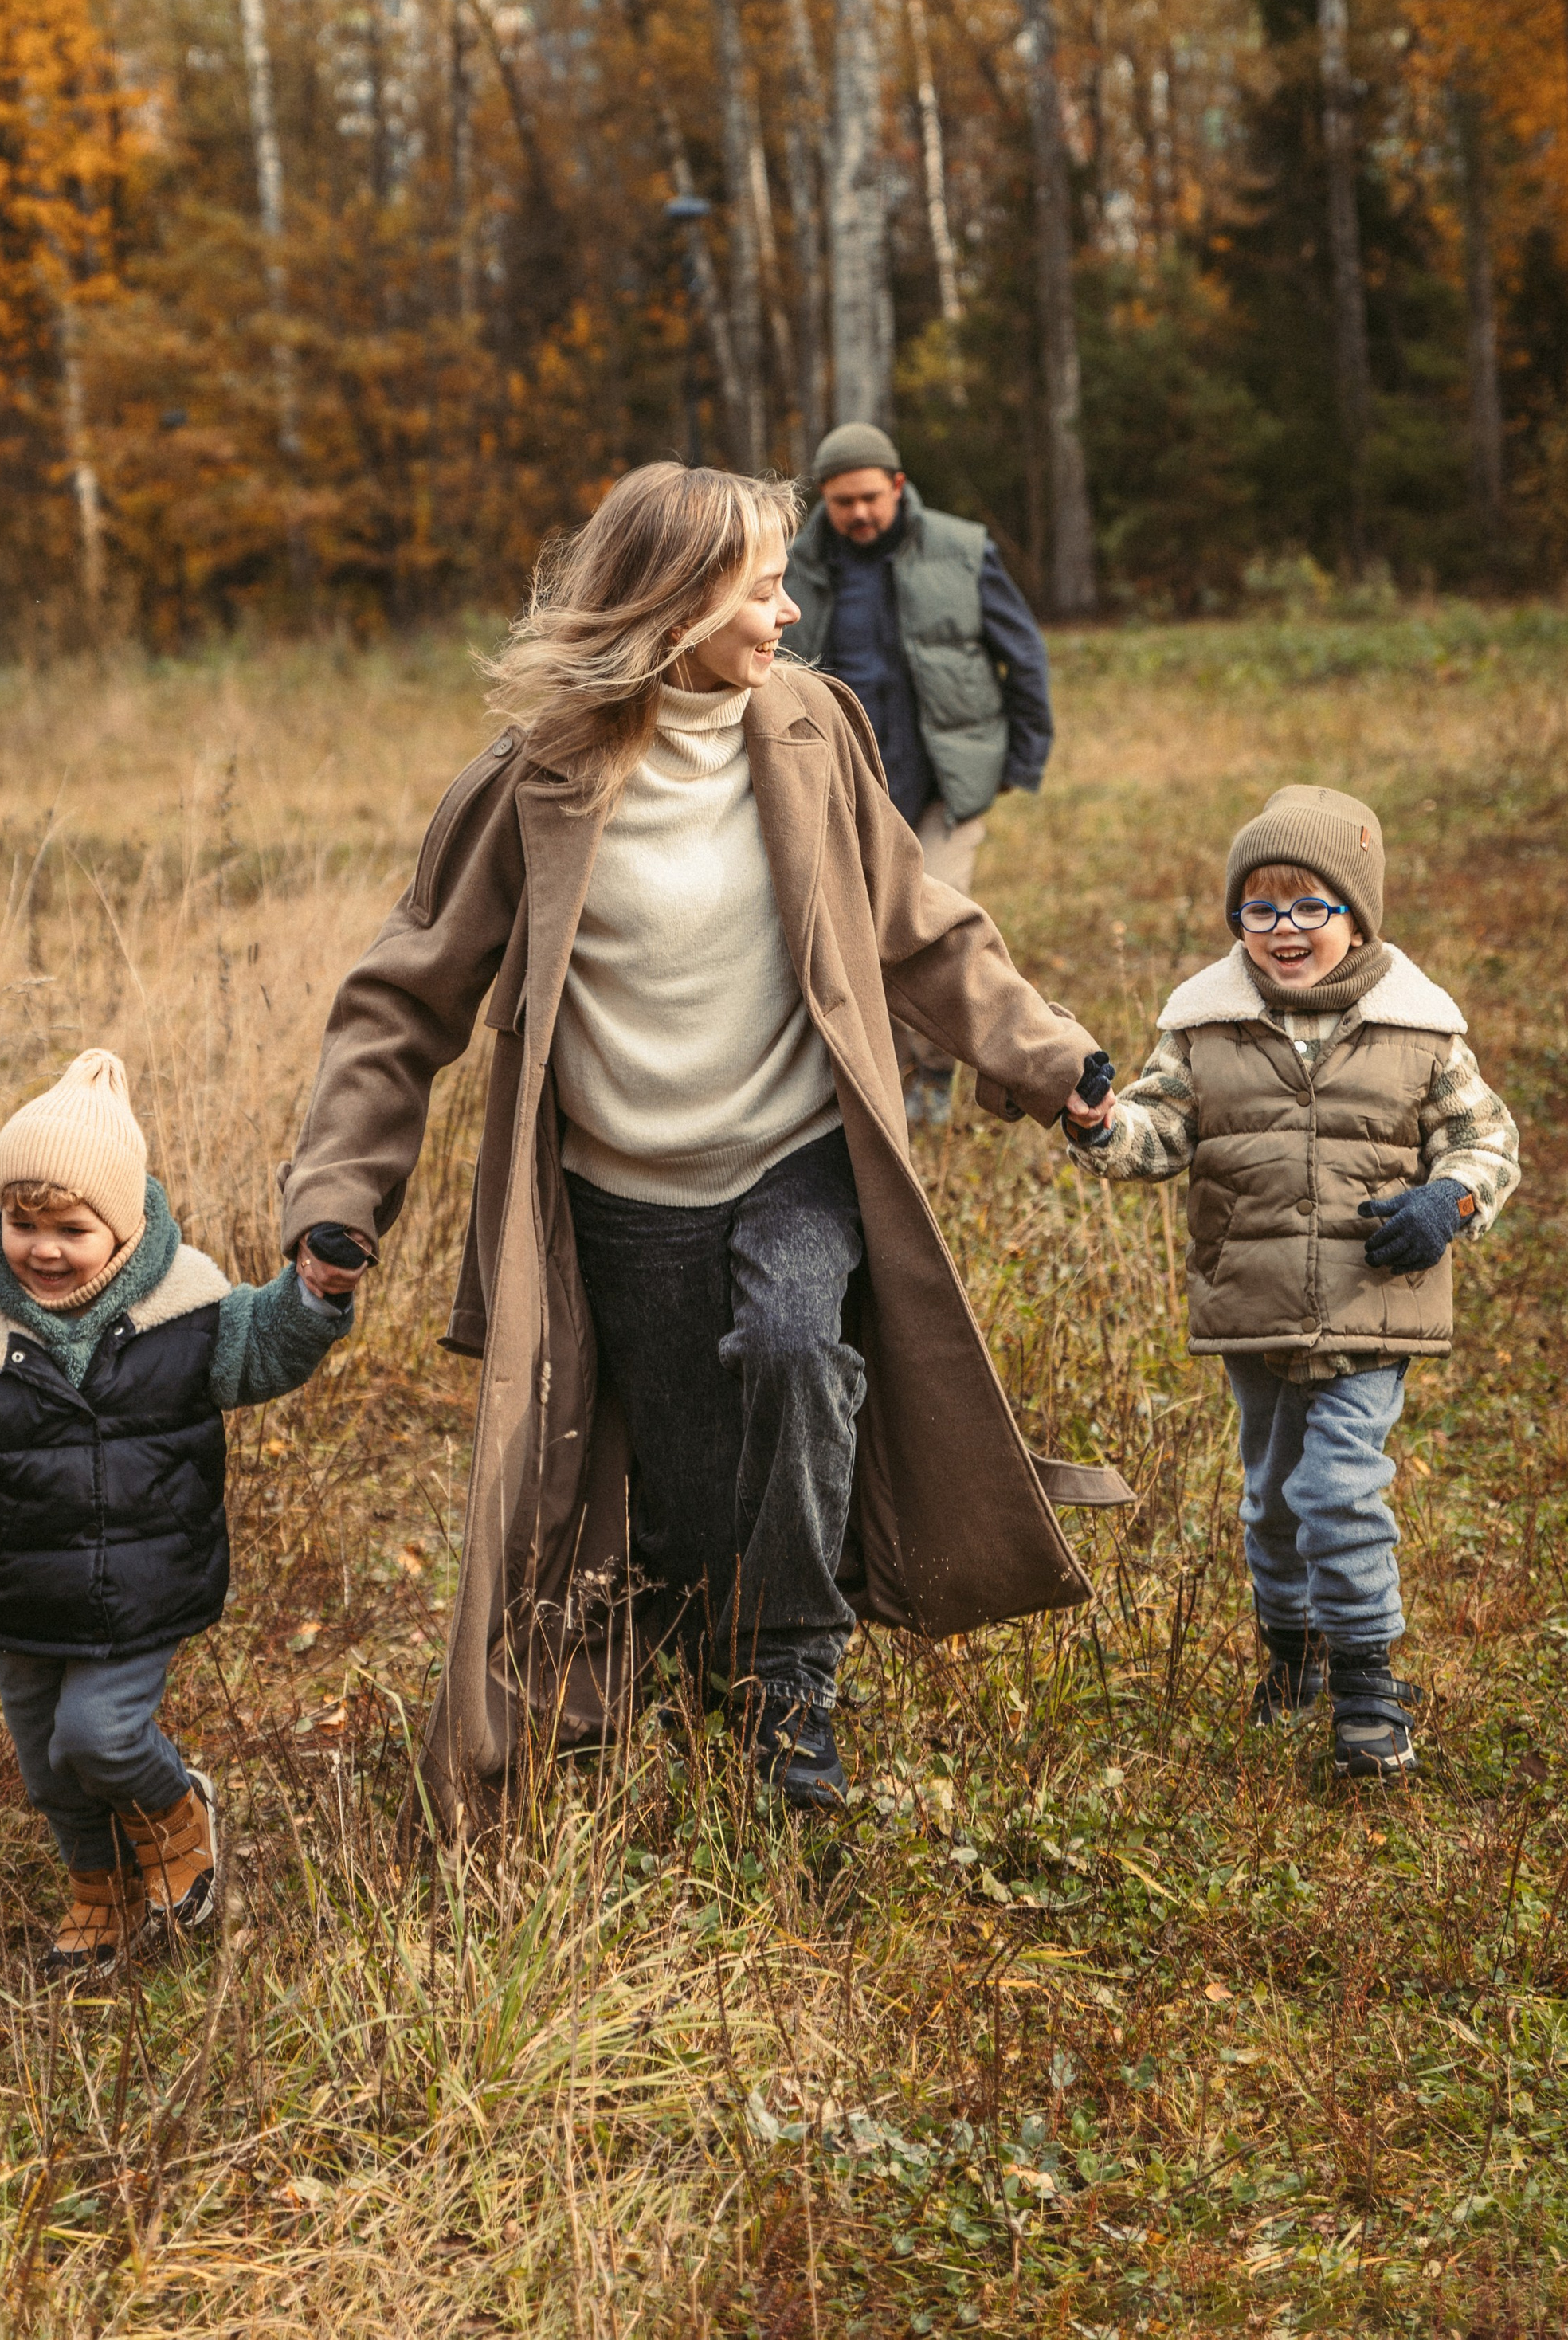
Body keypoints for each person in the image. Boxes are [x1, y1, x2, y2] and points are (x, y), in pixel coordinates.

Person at [280, 462, 1123, 1831]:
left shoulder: (809, 731)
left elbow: (920, 927)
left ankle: (797, 1692)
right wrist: (339, 1198)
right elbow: (402, 998)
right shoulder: (532, 783)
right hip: (621, 1200)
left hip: (796, 1156)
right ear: (671, 609)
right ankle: (684, 1664)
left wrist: (1049, 1056)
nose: (787, 617)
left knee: (799, 1350)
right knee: (673, 1491)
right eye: (761, 591)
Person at [0, 1049, 355, 1973]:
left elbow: (264, 1348)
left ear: (123, 1224)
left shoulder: (182, 1305)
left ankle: (175, 1805)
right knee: (49, 1768)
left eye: (72, 1226)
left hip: (148, 1577)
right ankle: (98, 1889)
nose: (45, 1248)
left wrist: (315, 1293)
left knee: (98, 1736)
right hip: (24, 1590)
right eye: (24, 1223)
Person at [1064, 786, 1520, 1784]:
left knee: (1336, 1488)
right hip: (1256, 1306)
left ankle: (1367, 1688)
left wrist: (1448, 1202)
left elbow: (1487, 1140)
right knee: (1271, 1499)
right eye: (1259, 910)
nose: (1283, 931)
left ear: (1356, 914)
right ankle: (1293, 1654)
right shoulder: (1205, 1026)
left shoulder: (1417, 1029)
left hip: (1372, 1303)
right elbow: (1159, 1134)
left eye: (1309, 907)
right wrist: (1098, 1124)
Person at [783, 423, 1055, 1123]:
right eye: (842, 502)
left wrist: (1020, 759)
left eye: (871, 497)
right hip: (840, 786)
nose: (859, 514)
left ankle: (933, 1075)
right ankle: (882, 1071)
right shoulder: (792, 565)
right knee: (851, 932)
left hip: (942, 786)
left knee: (928, 928)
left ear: (898, 486)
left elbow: (1021, 654)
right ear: (825, 501)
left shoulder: (962, 550)